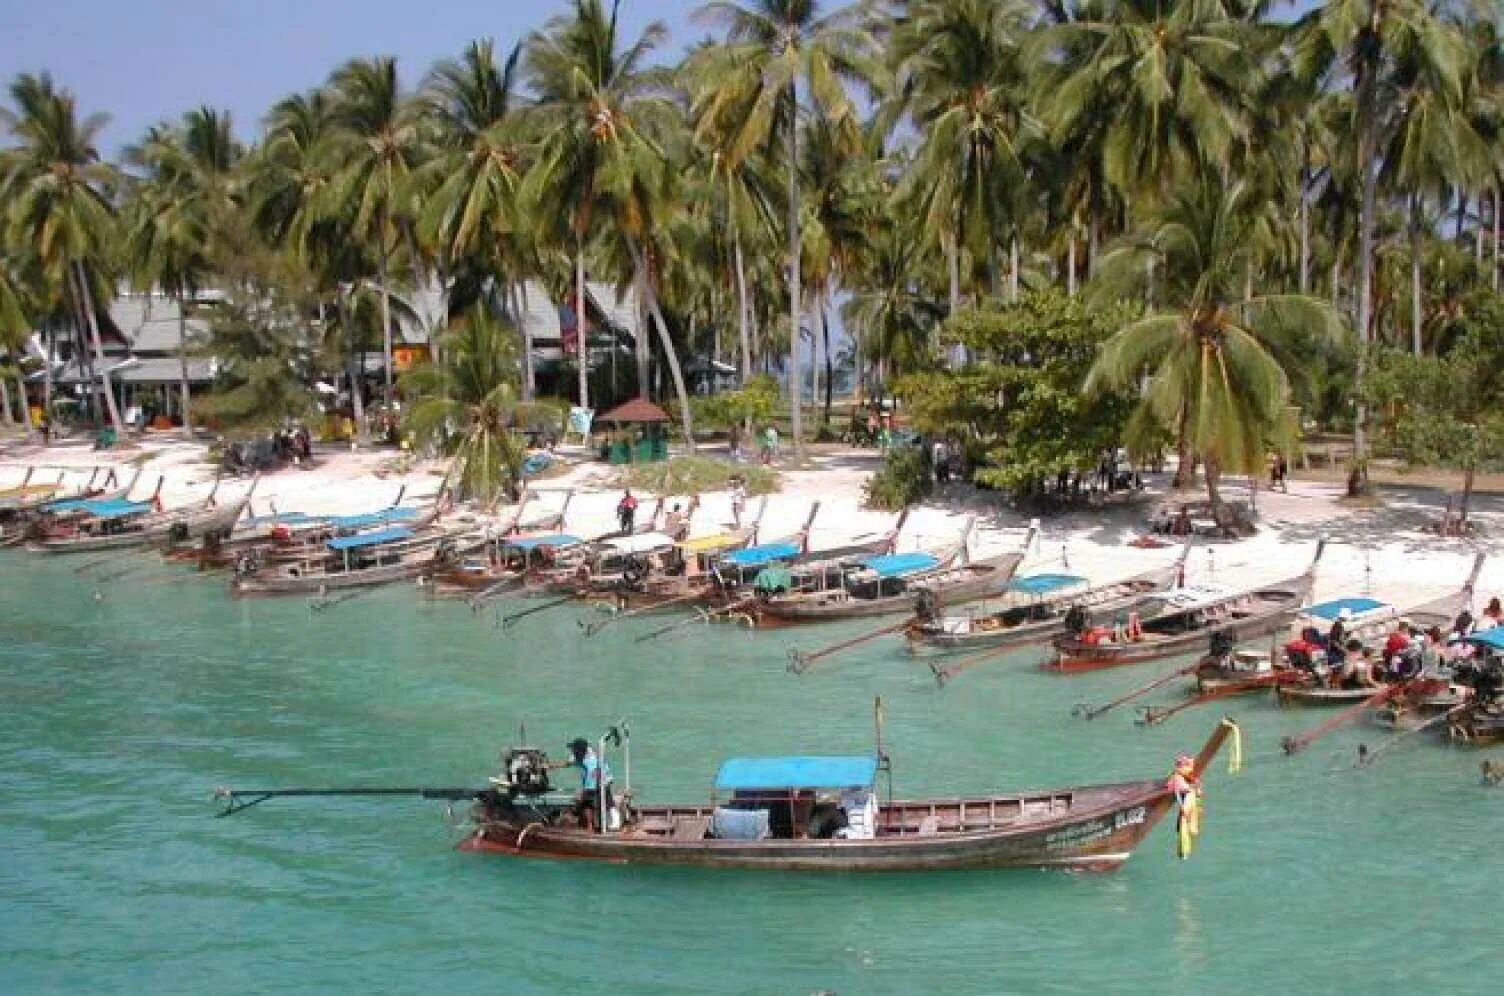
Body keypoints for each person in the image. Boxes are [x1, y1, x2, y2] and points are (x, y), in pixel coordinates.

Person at [555, 738, 614, 832]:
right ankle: (591, 825)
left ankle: (595, 828)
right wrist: (551, 766)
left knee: (588, 804)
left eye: (574, 750)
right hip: (594, 784)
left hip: (600, 785)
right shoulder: (581, 755)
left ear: (580, 752)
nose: (572, 752)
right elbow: (568, 763)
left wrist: (581, 796)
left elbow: (591, 784)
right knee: (587, 803)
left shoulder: (592, 761)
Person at [1167, 755, 1203, 860]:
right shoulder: (1177, 778)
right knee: (1184, 828)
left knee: (1187, 826)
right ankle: (1183, 851)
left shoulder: (1187, 777)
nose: (1191, 768)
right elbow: (1178, 791)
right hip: (1186, 805)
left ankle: (1185, 850)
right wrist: (1182, 806)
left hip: (1189, 803)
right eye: (1189, 765)